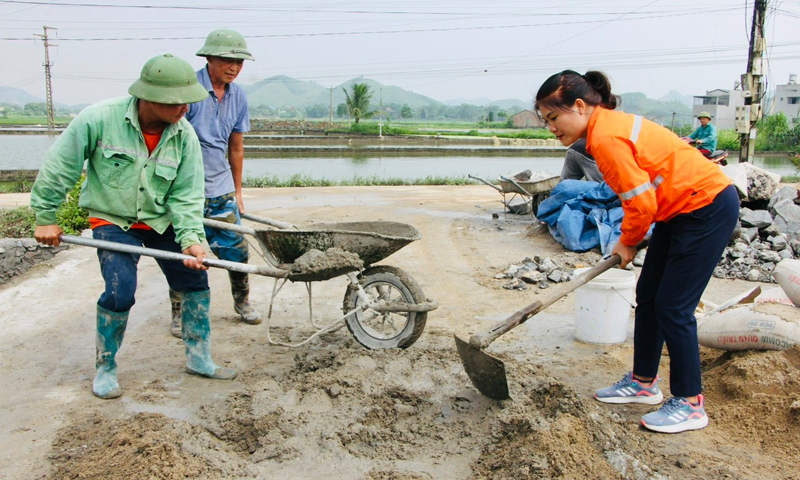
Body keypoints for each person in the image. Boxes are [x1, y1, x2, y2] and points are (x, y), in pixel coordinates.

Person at [535, 70, 738, 433]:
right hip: (679, 209)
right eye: (546, 120)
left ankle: (691, 404)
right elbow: (644, 197)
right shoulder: (606, 128)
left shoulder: (608, 138)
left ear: (579, 106)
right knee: (648, 296)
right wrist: (632, 235)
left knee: (673, 307)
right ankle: (643, 383)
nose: (551, 127)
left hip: (706, 207)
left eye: (553, 117)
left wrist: (627, 240)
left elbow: (640, 202)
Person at [30, 53, 237, 400]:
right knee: (119, 290)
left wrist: (192, 241)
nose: (183, 108)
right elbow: (60, 166)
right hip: (113, 218)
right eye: (175, 102)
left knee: (195, 280)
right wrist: (46, 216)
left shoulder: (183, 135)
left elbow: (186, 196)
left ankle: (199, 358)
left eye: (188, 100)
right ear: (148, 96)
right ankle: (106, 367)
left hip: (161, 219)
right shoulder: (99, 119)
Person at [167, 28, 259, 338]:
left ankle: (242, 301)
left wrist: (238, 191)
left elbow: (236, 146)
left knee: (237, 250)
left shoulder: (239, 96)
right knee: (183, 254)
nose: (234, 67)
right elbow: (171, 142)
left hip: (220, 189)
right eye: (227, 60)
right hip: (185, 190)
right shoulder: (188, 89)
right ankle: (179, 312)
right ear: (209, 58)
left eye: (239, 62)